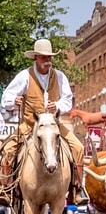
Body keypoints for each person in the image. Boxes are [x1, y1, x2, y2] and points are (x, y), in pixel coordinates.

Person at [0, 39, 86, 204]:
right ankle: (6, 189)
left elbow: (67, 100)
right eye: (44, 58)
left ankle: (77, 190)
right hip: (30, 124)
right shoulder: (25, 76)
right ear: (36, 58)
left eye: (50, 58)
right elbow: (7, 97)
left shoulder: (59, 76)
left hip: (54, 125)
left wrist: (58, 105)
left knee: (79, 148)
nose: (48, 61)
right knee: (8, 149)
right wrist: (15, 100)